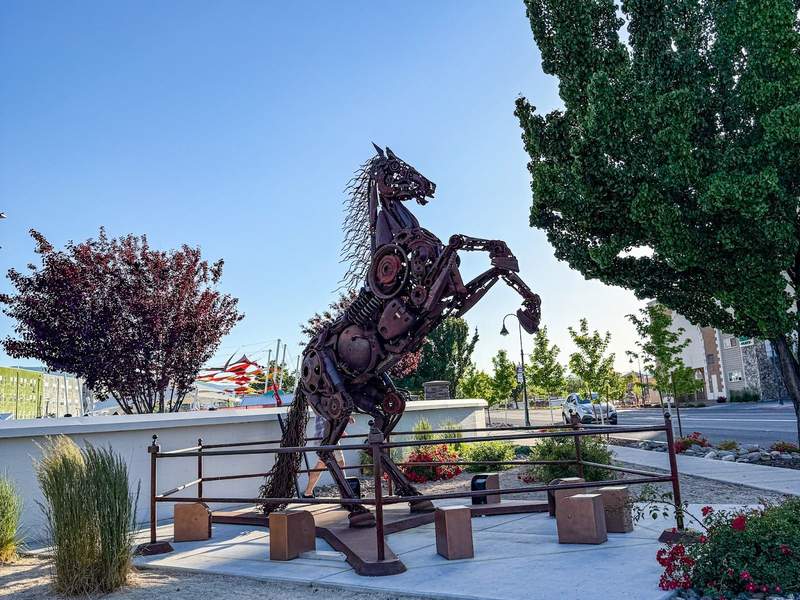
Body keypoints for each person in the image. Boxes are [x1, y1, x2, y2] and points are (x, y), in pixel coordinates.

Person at [302, 413, 354, 498]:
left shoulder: (324, 405)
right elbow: (329, 421)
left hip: (328, 439)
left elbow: (331, 420)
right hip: (328, 439)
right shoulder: (326, 406)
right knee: (337, 464)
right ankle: (346, 493)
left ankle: (308, 493)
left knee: (326, 465)